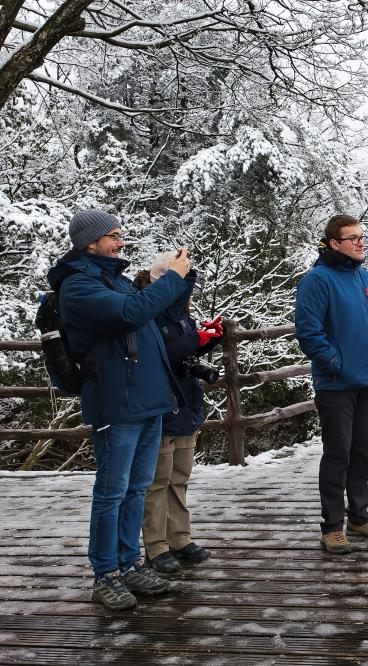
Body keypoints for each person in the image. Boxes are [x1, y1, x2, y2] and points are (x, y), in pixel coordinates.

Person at [46, 209, 191, 610]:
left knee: (136, 488)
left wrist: (171, 278)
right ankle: (105, 574)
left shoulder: (115, 279)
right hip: (116, 401)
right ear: (89, 242)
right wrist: (172, 278)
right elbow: (130, 314)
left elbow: (153, 311)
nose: (120, 241)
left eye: (120, 234)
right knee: (111, 492)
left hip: (145, 399)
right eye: (113, 235)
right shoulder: (78, 285)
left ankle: (129, 565)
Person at [295, 214, 368, 554]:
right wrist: (335, 363)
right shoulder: (317, 280)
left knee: (361, 451)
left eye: (361, 236)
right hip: (336, 383)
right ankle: (332, 526)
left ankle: (359, 517)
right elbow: (309, 331)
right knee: (337, 454)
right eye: (352, 238)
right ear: (334, 243)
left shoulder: (367, 278)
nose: (360, 242)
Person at [135, 256, 221, 574]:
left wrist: (206, 342)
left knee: (179, 478)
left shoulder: (182, 316)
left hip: (187, 404)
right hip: (161, 406)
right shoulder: (148, 314)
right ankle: (157, 546)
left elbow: (186, 350)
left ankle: (180, 538)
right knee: (157, 482)